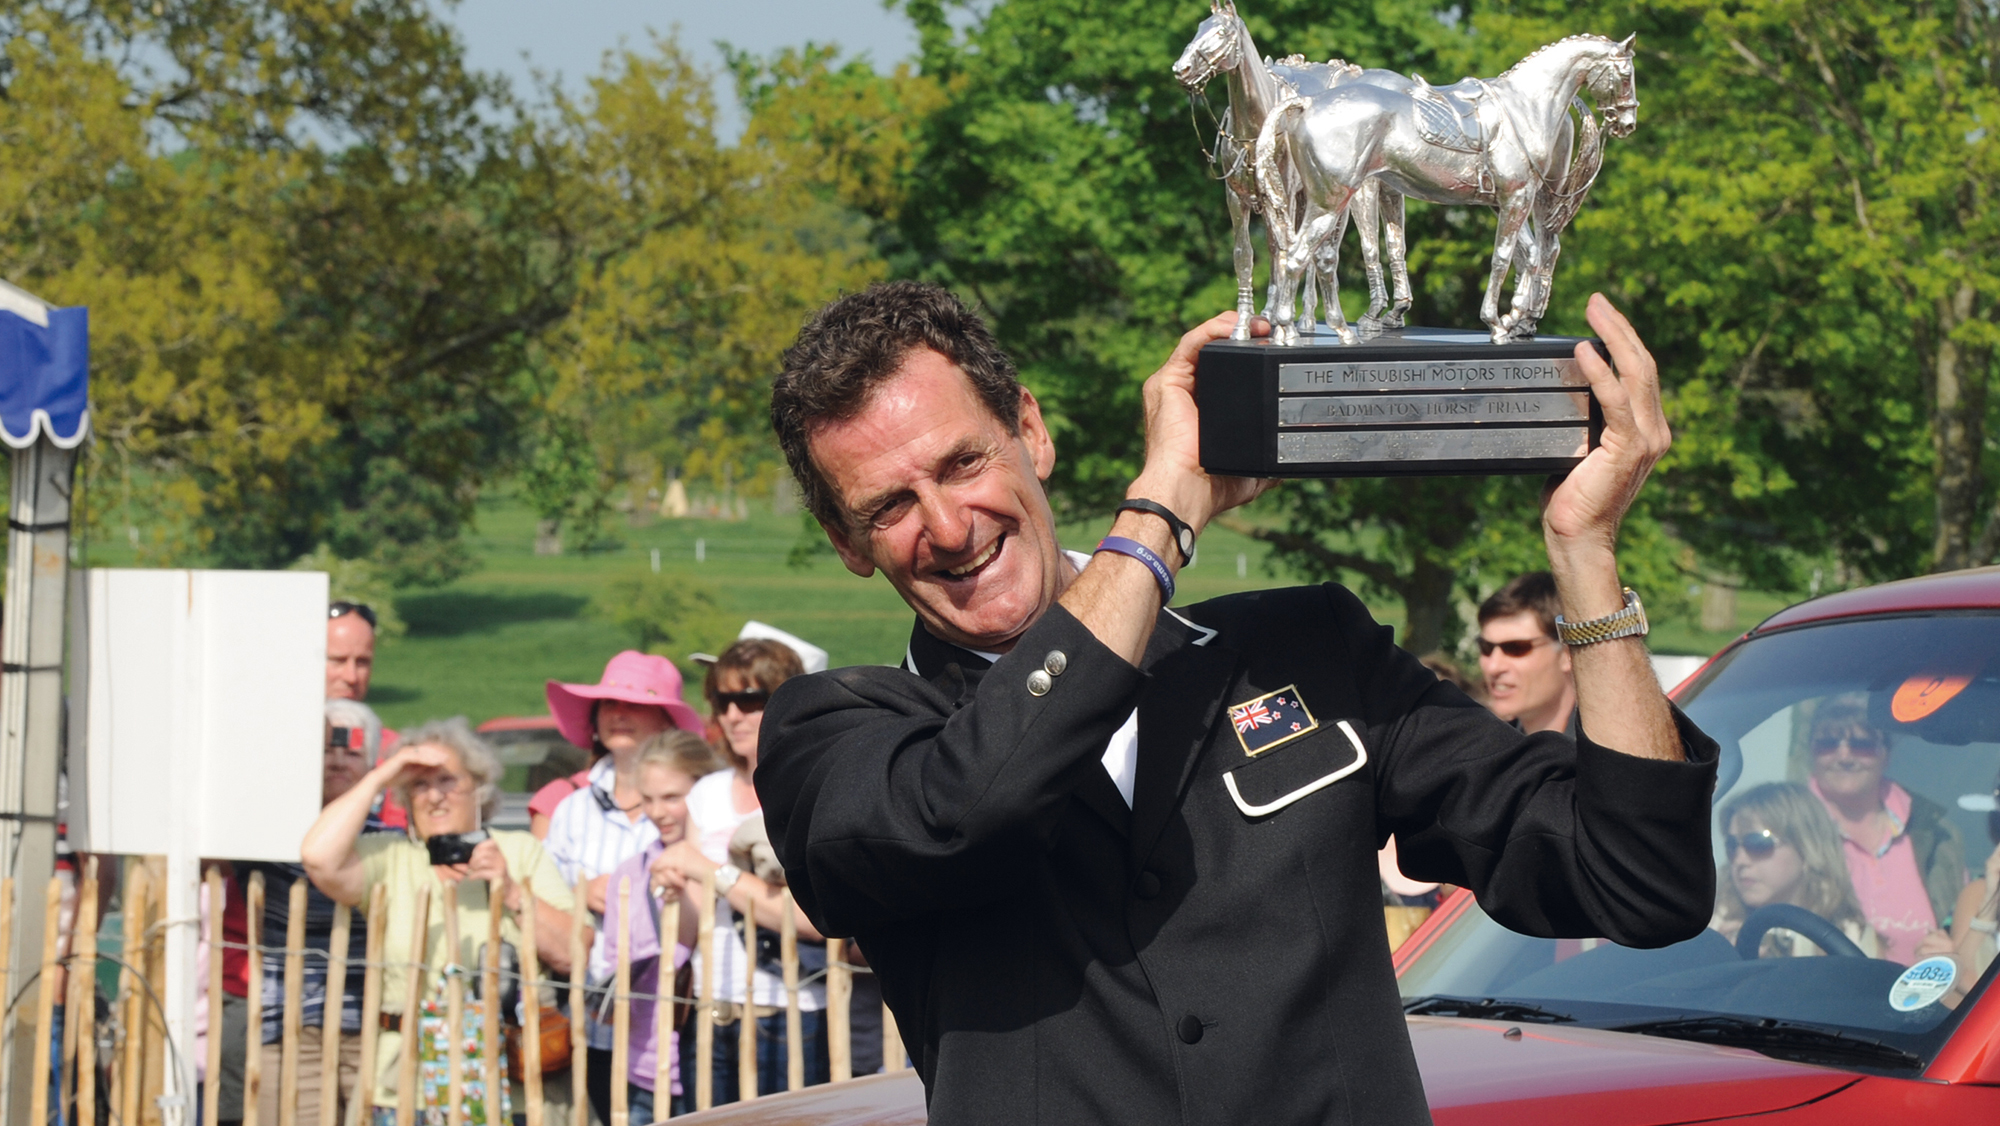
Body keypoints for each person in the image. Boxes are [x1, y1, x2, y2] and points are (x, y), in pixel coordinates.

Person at [756, 281, 1717, 1125]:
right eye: (889, 506)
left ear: (1031, 433)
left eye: (963, 462)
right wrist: (1160, 516)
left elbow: (1635, 879)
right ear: (848, 544)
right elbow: (978, 802)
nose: (948, 525)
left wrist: (1585, 558)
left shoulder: (1306, 650)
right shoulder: (836, 741)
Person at [300, 718, 580, 1125]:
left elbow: (575, 953)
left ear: (479, 789)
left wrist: (512, 890)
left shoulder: (517, 851)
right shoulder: (391, 857)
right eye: (419, 784)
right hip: (407, 1087)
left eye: (448, 781)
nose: (435, 797)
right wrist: (384, 773)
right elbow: (317, 857)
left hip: (511, 1087)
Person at [665, 637, 832, 1111]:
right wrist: (673, 891)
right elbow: (690, 930)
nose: (733, 714)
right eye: (723, 700)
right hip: (713, 1006)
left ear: (785, 702)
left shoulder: (812, 787)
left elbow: (813, 919)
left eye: (750, 699)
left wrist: (710, 871)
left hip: (791, 1009)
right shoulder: (706, 793)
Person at [541, 651, 704, 1121]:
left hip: (677, 1012)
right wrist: (581, 892)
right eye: (608, 703)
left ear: (666, 721)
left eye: (634, 703)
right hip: (595, 1006)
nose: (618, 713)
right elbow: (546, 886)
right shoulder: (572, 808)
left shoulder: (694, 800)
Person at [586, 731, 717, 1122]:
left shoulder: (725, 869)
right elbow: (612, 965)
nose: (658, 812)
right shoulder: (629, 876)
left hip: (710, 1062)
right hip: (643, 1069)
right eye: (648, 799)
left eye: (672, 798)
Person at [1805, 696, 1964, 964]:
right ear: (1811, 751)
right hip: (1824, 999)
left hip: (1931, 999)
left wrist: (1953, 949)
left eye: (1862, 744)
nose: (1844, 756)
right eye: (1828, 743)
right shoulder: (1786, 830)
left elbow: (1964, 925)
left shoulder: (1936, 833)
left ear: (1886, 754)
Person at [1711, 782, 1881, 957]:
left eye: (1758, 843)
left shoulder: (1853, 937)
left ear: (1807, 848)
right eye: (1732, 845)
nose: (1740, 860)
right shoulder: (1709, 927)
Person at [1476, 572, 1577, 735]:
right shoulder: (1489, 750)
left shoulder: (1613, 750)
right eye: (1485, 647)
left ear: (1567, 654)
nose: (1493, 667)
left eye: (1516, 648)